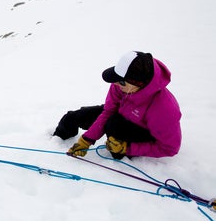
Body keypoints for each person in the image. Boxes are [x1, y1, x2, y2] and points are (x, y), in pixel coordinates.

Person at [53, 51, 181, 159]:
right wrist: (87, 140)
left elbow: (170, 148)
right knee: (74, 117)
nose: (115, 84)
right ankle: (53, 142)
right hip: (119, 116)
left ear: (139, 83)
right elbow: (108, 111)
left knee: (113, 128)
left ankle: (119, 151)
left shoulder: (164, 109)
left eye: (121, 82)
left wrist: (128, 148)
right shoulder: (121, 86)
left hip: (141, 133)